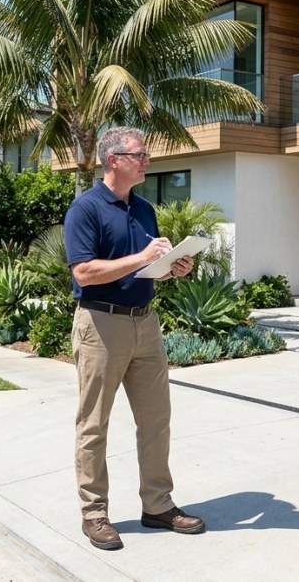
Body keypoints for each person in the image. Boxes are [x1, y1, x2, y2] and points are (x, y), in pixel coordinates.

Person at [64, 126, 205, 551]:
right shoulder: (85, 209)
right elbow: (83, 272)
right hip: (101, 325)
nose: (147, 161)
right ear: (114, 160)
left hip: (145, 322)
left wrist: (173, 265)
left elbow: (146, 263)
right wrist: (142, 258)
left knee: (156, 419)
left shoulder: (143, 208)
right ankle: (94, 514)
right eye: (139, 155)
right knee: (95, 424)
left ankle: (158, 505)